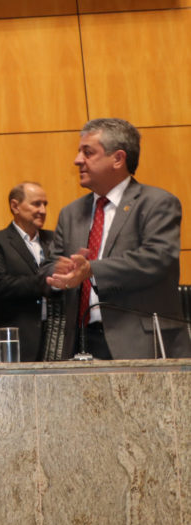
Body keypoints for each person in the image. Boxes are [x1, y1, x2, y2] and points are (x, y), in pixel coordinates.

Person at [45, 118, 191, 359]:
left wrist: (92, 269)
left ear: (118, 159)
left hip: (142, 342)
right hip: (80, 342)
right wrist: (58, 272)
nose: (77, 159)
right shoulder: (70, 213)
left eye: (88, 152)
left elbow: (157, 259)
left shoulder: (157, 203)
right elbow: (49, 264)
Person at [0, 182, 55, 362]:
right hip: (17, 341)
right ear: (15, 206)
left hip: (56, 339)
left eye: (45, 204)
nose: (43, 210)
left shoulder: (55, 240)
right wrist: (46, 282)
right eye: (36, 204)